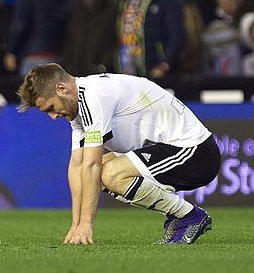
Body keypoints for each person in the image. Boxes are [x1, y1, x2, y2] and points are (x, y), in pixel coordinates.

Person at [17, 64, 220, 245]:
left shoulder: (94, 96)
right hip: (169, 149)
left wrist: (87, 224)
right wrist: (76, 225)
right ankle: (184, 215)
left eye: (50, 108)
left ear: (61, 89)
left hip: (196, 153)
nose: (53, 117)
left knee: (109, 174)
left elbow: (91, 166)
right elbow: (77, 166)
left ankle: (189, 216)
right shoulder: (78, 104)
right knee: (97, 173)